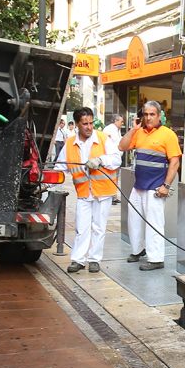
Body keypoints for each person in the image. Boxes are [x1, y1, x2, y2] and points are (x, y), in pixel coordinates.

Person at [55, 106, 120, 274]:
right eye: (85, 124)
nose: (89, 127)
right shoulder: (70, 144)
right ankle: (78, 260)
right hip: (84, 192)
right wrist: (51, 181)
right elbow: (60, 166)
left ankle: (94, 259)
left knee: (99, 227)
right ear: (77, 124)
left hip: (103, 191)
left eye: (91, 123)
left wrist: (100, 159)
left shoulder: (103, 138)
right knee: (81, 227)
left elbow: (116, 159)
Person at [117, 100, 181, 271]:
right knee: (134, 219)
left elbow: (175, 162)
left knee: (154, 222)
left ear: (159, 115)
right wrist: (133, 129)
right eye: (145, 114)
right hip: (139, 186)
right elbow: (121, 146)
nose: (148, 117)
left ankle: (156, 258)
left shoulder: (168, 135)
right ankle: (138, 250)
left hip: (155, 188)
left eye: (152, 114)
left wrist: (166, 186)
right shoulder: (139, 133)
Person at [102, 114, 125, 205]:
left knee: (115, 178)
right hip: (110, 158)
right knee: (111, 177)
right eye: (121, 121)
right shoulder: (109, 129)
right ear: (115, 121)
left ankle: (114, 196)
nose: (122, 123)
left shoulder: (117, 130)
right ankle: (110, 196)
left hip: (117, 158)